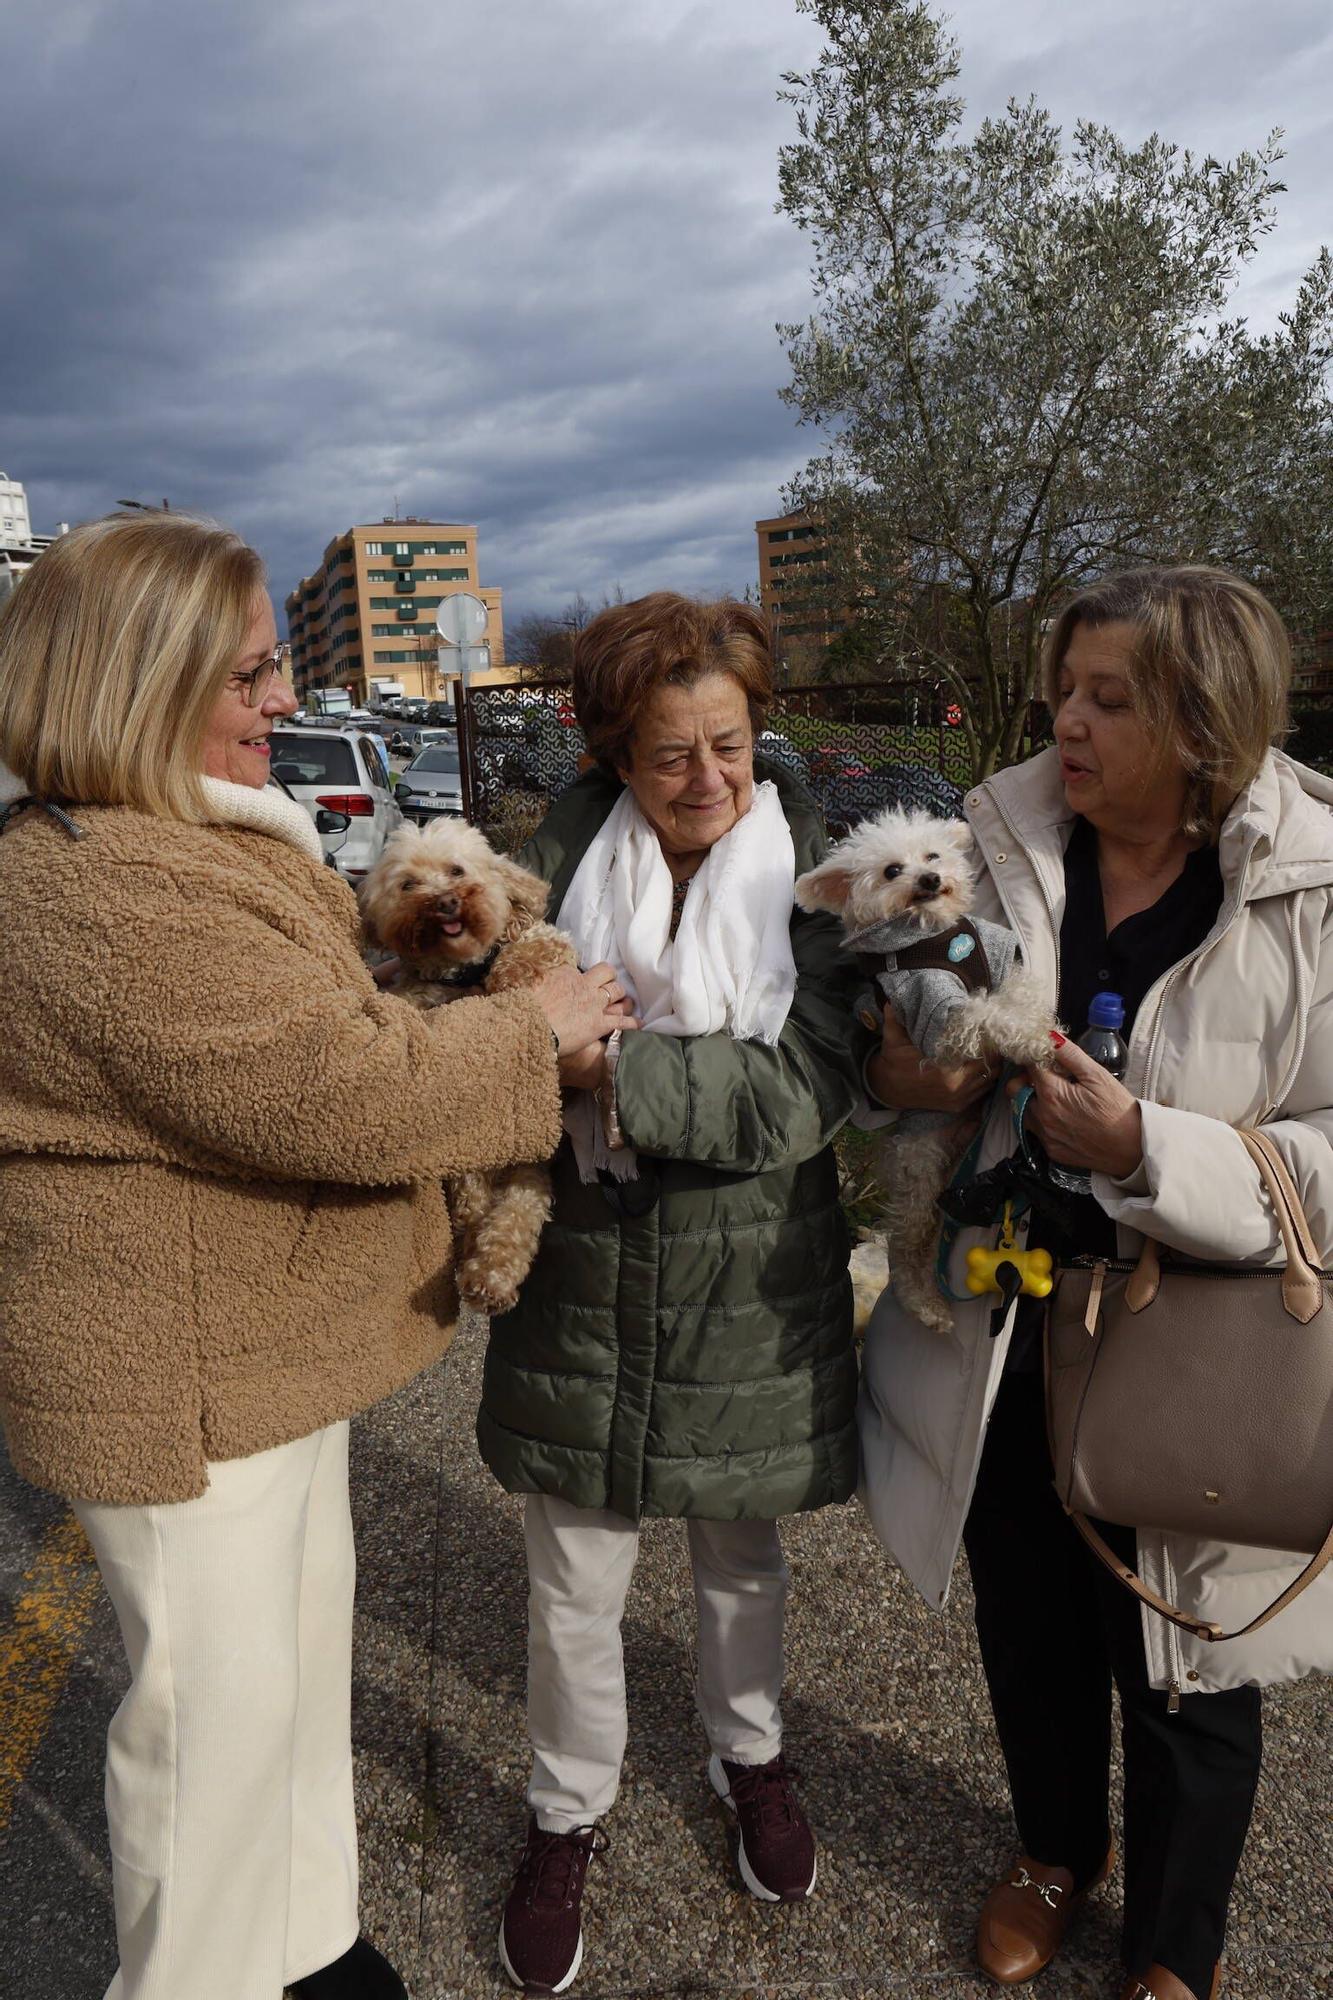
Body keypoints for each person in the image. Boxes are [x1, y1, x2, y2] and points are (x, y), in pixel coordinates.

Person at [0, 511, 626, 2000]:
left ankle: (310, 1949)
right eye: (252, 675)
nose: (283, 701)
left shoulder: (151, 846)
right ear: (136, 686)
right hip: (185, 1394)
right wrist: (526, 1028)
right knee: (206, 1749)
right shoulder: (97, 882)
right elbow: (331, 1093)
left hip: (249, 1369)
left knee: (275, 1699)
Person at [858, 565, 1333, 2000]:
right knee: (1032, 1613)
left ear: (1203, 724)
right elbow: (885, 1063)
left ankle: (1176, 1945)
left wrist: (1146, 1148)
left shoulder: (1312, 884)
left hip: (1200, 1329)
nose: (1065, 718)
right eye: (1061, 688)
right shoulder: (989, 842)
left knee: (1187, 1650)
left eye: (1107, 699)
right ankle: (1054, 1850)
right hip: (1008, 1318)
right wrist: (898, 1074)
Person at [476, 593, 865, 1996]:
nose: (707, 781)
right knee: (573, 1577)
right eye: (667, 756)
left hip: (746, 1277)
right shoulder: (550, 859)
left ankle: (746, 1756)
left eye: (731, 746)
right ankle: (565, 1811)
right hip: (585, 1267)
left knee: (739, 1558)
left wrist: (603, 1074)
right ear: (608, 759)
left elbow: (808, 1084)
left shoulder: (820, 867)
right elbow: (481, 1014)